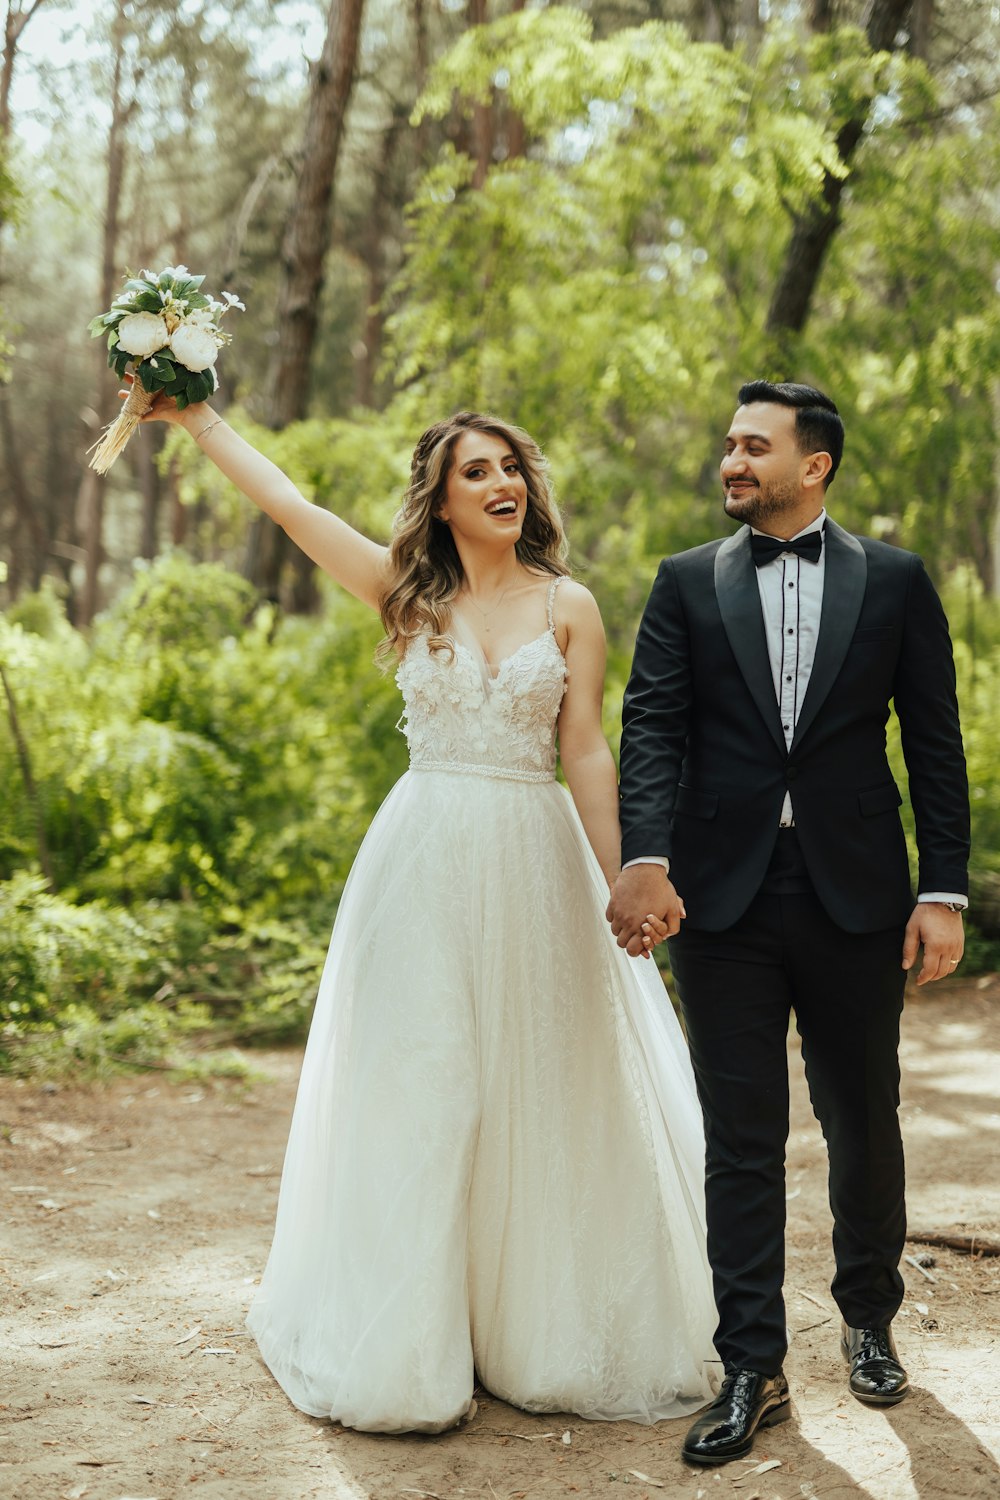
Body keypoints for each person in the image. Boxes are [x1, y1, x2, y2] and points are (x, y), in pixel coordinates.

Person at [130, 384, 718, 1434]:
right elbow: (290, 506)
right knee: (426, 1083)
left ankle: (534, 1333)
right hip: (422, 862)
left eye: (510, 467)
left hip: (535, 861)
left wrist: (629, 873)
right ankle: (408, 1351)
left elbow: (584, 747)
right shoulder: (406, 593)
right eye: (475, 472)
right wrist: (193, 420)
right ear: (441, 501)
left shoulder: (567, 604)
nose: (502, 483)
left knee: (541, 1082)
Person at [607, 380, 970, 1467]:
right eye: (727, 443)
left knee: (864, 1115)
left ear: (812, 464)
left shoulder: (897, 581)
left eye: (751, 446)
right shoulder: (682, 583)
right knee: (742, 1136)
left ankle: (867, 1320)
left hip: (857, 892)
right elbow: (652, 727)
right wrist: (646, 857)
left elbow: (935, 742)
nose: (731, 459)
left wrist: (941, 890)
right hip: (719, 899)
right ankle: (751, 1364)